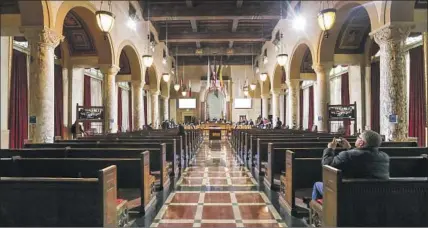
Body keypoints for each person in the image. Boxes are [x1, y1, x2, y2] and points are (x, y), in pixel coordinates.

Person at [311, 130, 389, 201]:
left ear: (361, 142)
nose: (357, 138)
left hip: (348, 195)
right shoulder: (384, 157)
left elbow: (326, 165)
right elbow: (360, 156)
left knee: (317, 185)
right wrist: (349, 148)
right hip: (373, 196)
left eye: (358, 137)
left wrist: (330, 149)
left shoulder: (347, 155)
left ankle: (319, 213)